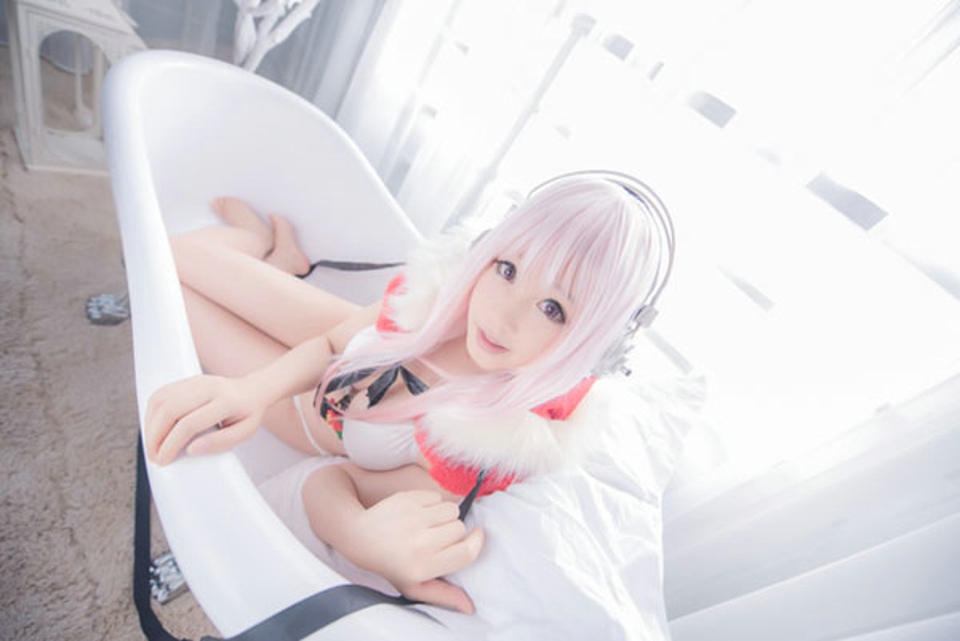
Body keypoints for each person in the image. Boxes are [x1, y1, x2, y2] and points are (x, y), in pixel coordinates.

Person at [144, 171, 675, 615]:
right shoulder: (445, 301)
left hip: (303, 414)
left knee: (171, 281)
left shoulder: (472, 439)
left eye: (552, 308)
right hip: (343, 343)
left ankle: (269, 255)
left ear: (594, 346)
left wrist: (359, 537)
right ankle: (264, 247)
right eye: (509, 268)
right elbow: (332, 341)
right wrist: (250, 390)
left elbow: (333, 481)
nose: (502, 314)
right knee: (176, 255)